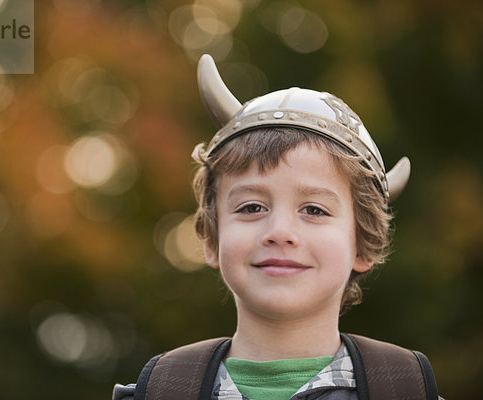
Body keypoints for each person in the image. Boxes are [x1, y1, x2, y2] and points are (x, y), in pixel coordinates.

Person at [113, 54, 437, 400]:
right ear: (212, 238)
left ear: (364, 245)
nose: (280, 231)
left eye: (314, 210)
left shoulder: (404, 390)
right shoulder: (161, 393)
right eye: (252, 207)